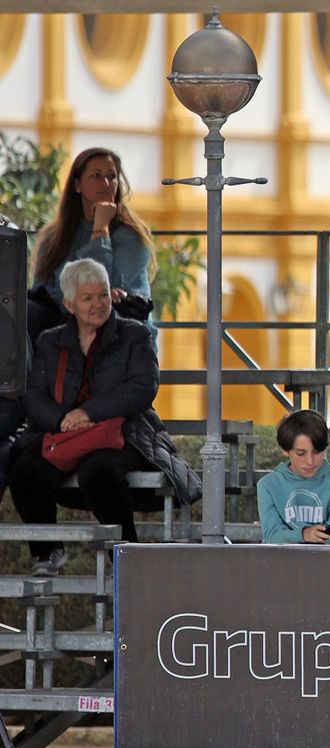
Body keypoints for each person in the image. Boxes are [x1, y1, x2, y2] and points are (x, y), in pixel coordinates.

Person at [10, 259, 200, 575]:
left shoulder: (134, 334)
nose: (98, 304)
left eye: (102, 295)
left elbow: (143, 387)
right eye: (88, 298)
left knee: (98, 472)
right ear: (69, 304)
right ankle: (47, 553)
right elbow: (34, 394)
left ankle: (126, 559)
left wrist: (89, 412)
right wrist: (61, 420)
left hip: (124, 433)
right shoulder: (50, 341)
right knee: (24, 468)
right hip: (67, 433)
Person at [28, 147, 156, 348]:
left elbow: (98, 288)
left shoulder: (131, 236)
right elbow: (42, 290)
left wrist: (101, 227)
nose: (106, 183)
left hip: (118, 323)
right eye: (96, 176)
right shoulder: (54, 236)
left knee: (95, 311)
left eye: (111, 176)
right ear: (77, 185)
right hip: (66, 319)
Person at [256, 409, 330, 545]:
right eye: (300, 453)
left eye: (317, 452)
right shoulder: (268, 485)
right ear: (285, 450)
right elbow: (271, 537)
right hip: (280, 562)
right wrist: (304, 534)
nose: (310, 461)